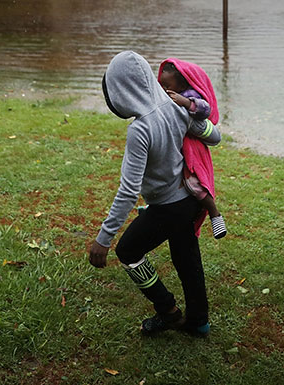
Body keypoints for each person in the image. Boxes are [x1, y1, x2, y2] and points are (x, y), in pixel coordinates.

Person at [88, 51, 222, 336]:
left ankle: (168, 311)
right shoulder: (175, 107)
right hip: (189, 200)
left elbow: (128, 190)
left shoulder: (140, 129)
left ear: (121, 91)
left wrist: (104, 238)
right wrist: (192, 112)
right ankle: (199, 321)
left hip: (168, 207)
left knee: (128, 251)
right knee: (186, 258)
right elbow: (214, 136)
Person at [157, 59, 226, 239]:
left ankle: (214, 213)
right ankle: (154, 211)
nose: (164, 89)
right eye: (161, 85)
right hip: (176, 148)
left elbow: (204, 110)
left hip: (192, 147)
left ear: (181, 84)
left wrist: (186, 102)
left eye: (167, 85)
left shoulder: (190, 94)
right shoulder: (166, 97)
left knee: (194, 184)